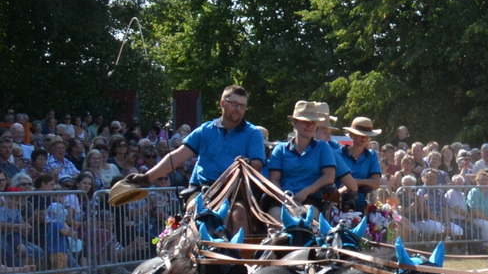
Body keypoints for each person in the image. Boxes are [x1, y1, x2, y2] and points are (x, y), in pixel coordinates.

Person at [112, 85, 266, 201]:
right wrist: (146, 178)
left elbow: (257, 164)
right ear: (222, 103)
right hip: (203, 189)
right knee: (194, 213)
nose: (238, 109)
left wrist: (245, 165)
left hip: (236, 192)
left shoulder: (252, 133)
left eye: (242, 106)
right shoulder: (205, 130)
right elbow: (177, 157)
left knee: (239, 217)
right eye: (234, 104)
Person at [268, 101, 339, 207]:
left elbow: (329, 177)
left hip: (312, 199)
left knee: (306, 218)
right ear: (295, 122)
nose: (310, 126)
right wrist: (284, 199)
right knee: (275, 218)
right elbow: (274, 179)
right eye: (305, 121)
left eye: (313, 122)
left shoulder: (323, 147)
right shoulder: (280, 149)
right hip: (283, 199)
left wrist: (306, 191)